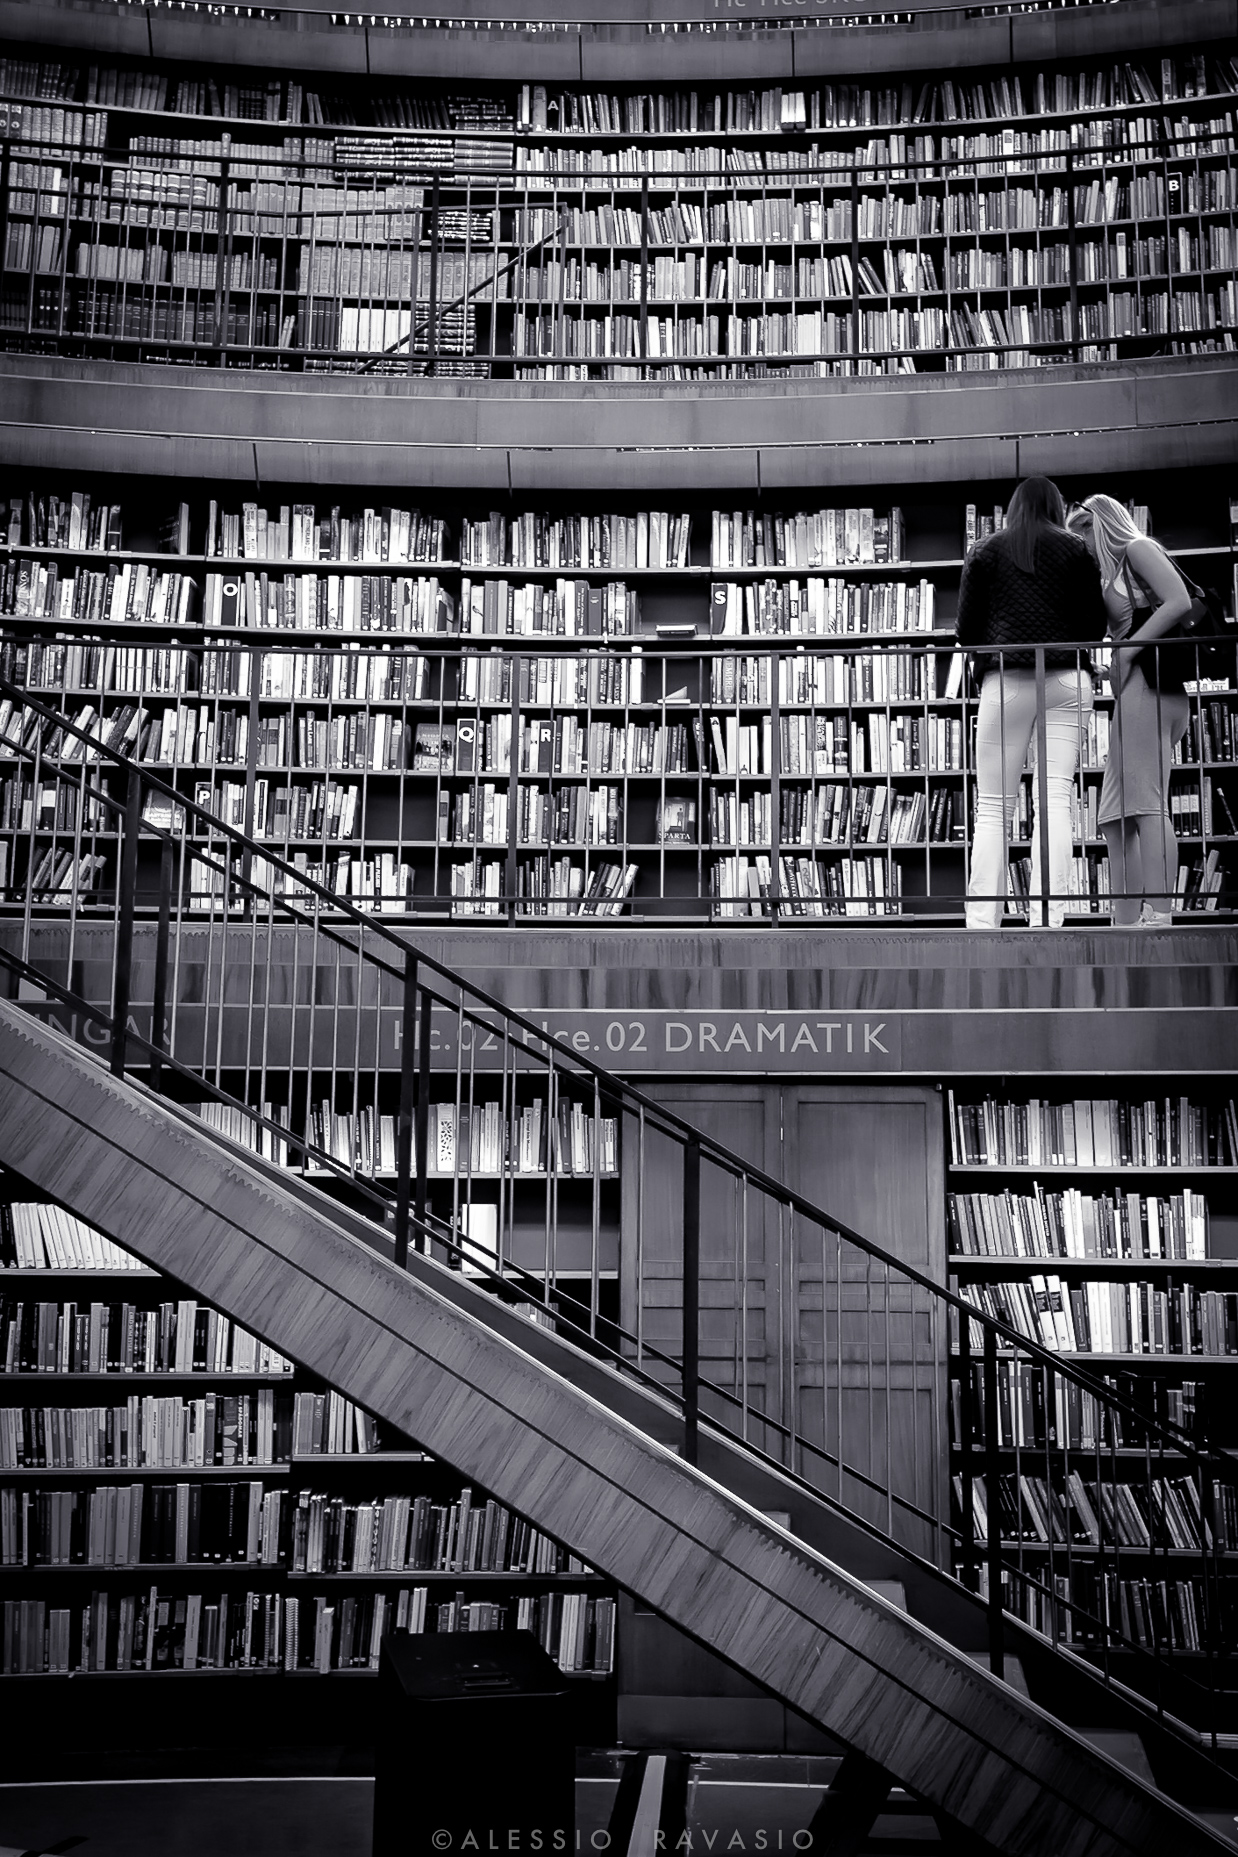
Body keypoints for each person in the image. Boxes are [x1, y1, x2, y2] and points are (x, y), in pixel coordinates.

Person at [956, 475, 1106, 929]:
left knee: (994, 806)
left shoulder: (984, 550)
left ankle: (983, 923)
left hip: (1006, 679)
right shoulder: (1076, 549)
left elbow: (966, 630)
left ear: (1013, 507)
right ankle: (1048, 916)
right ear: (1057, 507)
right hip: (1067, 676)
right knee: (1056, 799)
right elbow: (1093, 624)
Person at [1065, 495, 1193, 929]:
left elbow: (1179, 601)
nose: (1077, 540)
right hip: (1134, 691)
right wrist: (1111, 663)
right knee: (1113, 817)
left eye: (1080, 529)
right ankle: (1125, 923)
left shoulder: (1138, 549)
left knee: (1146, 805)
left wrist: (1127, 653)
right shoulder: (1109, 573)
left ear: (1098, 524)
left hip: (1152, 688)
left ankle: (1160, 916)